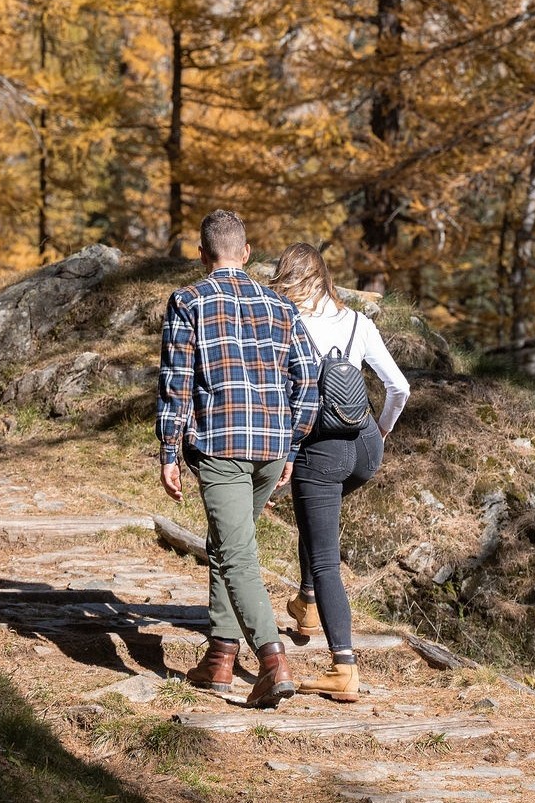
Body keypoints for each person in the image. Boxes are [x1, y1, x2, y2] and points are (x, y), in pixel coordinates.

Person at [157, 210, 320, 709]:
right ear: (246, 253)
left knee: (234, 554)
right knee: (228, 542)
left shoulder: (188, 301)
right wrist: (292, 441)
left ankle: (273, 664)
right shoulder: (281, 305)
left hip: (222, 446)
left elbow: (176, 382)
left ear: (203, 254)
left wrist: (168, 449)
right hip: (271, 448)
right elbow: (309, 376)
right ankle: (220, 658)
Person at [270, 242, 409, 703]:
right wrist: (381, 432)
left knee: (327, 557)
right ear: (326, 278)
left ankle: (343, 666)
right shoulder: (358, 322)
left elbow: (277, 397)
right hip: (366, 447)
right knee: (317, 523)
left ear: (289, 280)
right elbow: (399, 388)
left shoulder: (287, 324)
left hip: (320, 450)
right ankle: (307, 603)